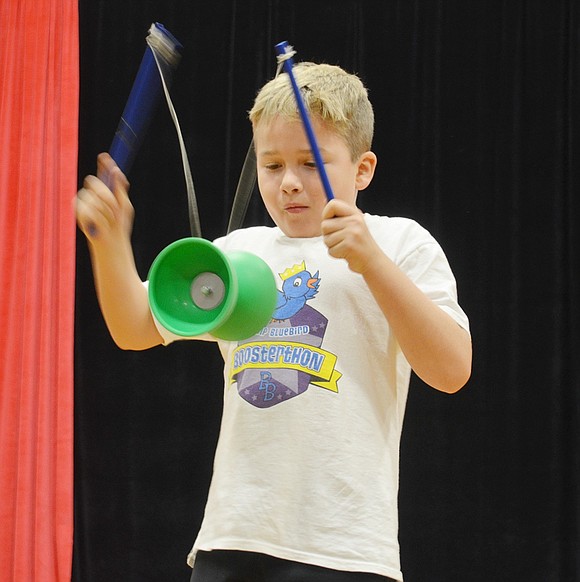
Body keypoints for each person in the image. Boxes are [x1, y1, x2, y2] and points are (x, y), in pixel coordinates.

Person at [76, 61, 472, 582]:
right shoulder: (239, 251)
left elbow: (451, 369)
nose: (289, 182)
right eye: (272, 164)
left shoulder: (400, 243)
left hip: (343, 548)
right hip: (233, 535)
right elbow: (134, 329)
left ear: (362, 169)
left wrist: (372, 262)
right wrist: (108, 242)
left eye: (312, 163)